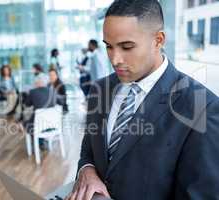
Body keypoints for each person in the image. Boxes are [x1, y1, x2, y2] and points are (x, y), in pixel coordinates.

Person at [66, 1, 219, 200]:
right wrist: (86, 170)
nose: (115, 59)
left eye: (126, 47)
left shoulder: (202, 109)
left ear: (158, 40)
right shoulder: (100, 89)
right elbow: (89, 149)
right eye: (109, 47)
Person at [22, 75, 56, 141]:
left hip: (39, 124)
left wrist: (29, 95)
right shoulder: (53, 91)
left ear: (38, 83)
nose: (34, 84)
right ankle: (42, 141)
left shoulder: (33, 92)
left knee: (26, 123)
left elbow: (27, 104)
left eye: (35, 82)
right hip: (53, 124)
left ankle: (38, 142)